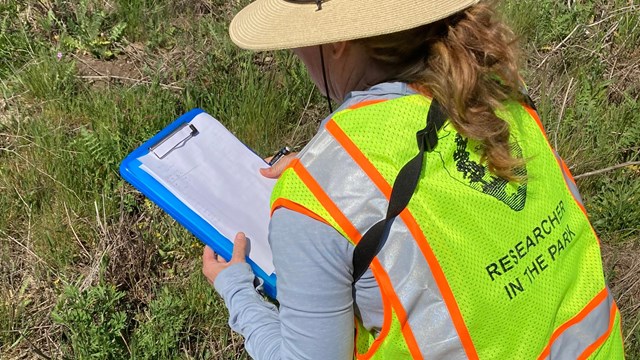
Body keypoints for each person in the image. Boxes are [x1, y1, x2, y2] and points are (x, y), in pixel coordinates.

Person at [202, 0, 625, 359]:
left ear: (337, 40)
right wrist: (330, 176)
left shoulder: (312, 200)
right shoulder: (494, 92)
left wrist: (238, 291)